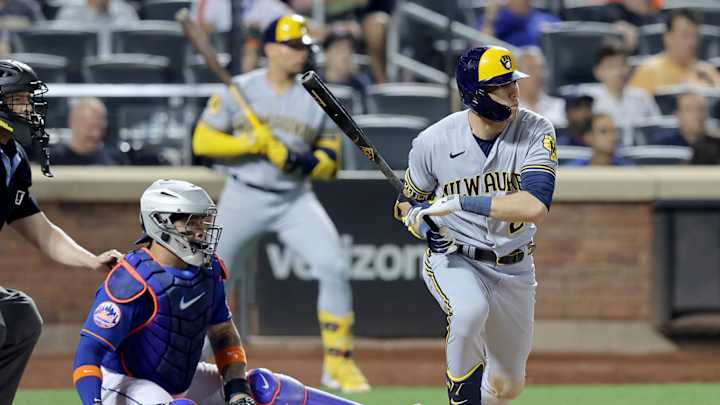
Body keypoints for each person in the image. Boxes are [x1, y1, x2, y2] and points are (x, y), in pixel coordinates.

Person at [192, 15, 369, 393]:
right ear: (269, 49)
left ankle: (338, 365)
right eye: (292, 46)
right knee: (212, 279)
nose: (300, 52)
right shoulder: (241, 88)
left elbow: (331, 163)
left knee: (333, 264)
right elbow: (202, 142)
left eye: (304, 46)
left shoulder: (315, 94)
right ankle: (190, 359)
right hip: (244, 193)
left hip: (293, 198)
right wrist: (251, 145)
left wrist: (297, 161)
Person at [396, 46, 557, 405]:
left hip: (515, 268)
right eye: (500, 86)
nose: (513, 92)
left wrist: (460, 203)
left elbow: (533, 206)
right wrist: (425, 228)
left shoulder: (535, 129)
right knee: (469, 313)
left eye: (512, 82)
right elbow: (408, 203)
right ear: (474, 94)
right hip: (457, 258)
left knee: (507, 385)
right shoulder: (433, 141)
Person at [0, 59, 121, 405]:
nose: (28, 107)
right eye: (18, 99)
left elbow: (40, 230)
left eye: (28, 98)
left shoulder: (13, 156)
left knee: (20, 317)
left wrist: (91, 260)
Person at [584, 41, 660, 146]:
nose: (619, 71)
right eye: (611, 66)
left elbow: (656, 131)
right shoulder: (588, 100)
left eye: (623, 64)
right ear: (598, 71)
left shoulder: (642, 97)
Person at [629, 8, 720, 95]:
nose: (692, 42)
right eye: (685, 35)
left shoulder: (708, 72)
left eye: (695, 35)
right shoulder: (648, 71)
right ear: (668, 37)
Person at [50, 97, 123, 165]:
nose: (96, 134)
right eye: (90, 128)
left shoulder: (114, 160)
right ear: (72, 123)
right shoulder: (52, 161)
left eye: (100, 127)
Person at [321, 26, 372, 113]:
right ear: (326, 53)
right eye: (338, 49)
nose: (345, 55)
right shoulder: (316, 83)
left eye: (348, 49)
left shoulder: (360, 84)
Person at [516, 46, 566, 128]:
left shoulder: (559, 106)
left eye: (541, 68)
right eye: (531, 69)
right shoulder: (508, 111)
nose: (539, 75)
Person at [478, 0, 560, 48]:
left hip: (543, 72)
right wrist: (490, 16)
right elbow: (480, 53)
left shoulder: (547, 19)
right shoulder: (495, 19)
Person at [650, 91, 717, 148]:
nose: (697, 115)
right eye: (689, 110)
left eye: (701, 109)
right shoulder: (663, 146)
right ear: (678, 116)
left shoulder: (716, 145)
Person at [565, 113, 633, 166]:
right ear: (588, 137)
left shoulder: (628, 169)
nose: (612, 136)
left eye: (614, 131)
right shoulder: (573, 170)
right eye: (603, 131)